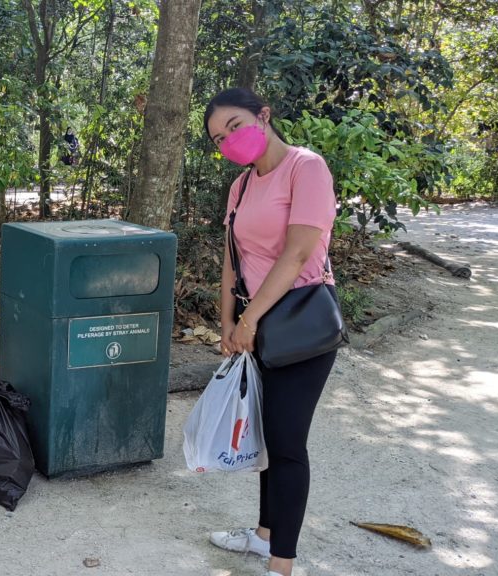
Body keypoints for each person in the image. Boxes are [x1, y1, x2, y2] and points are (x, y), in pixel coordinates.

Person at [203, 87, 338, 576]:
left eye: (235, 126)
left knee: (286, 443)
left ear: (263, 115)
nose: (229, 141)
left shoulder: (307, 168)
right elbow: (231, 261)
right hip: (252, 327)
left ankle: (283, 563)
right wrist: (227, 322)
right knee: (263, 438)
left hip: (298, 323)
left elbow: (298, 253)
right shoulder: (240, 187)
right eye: (219, 139)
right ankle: (264, 537)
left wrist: (250, 319)